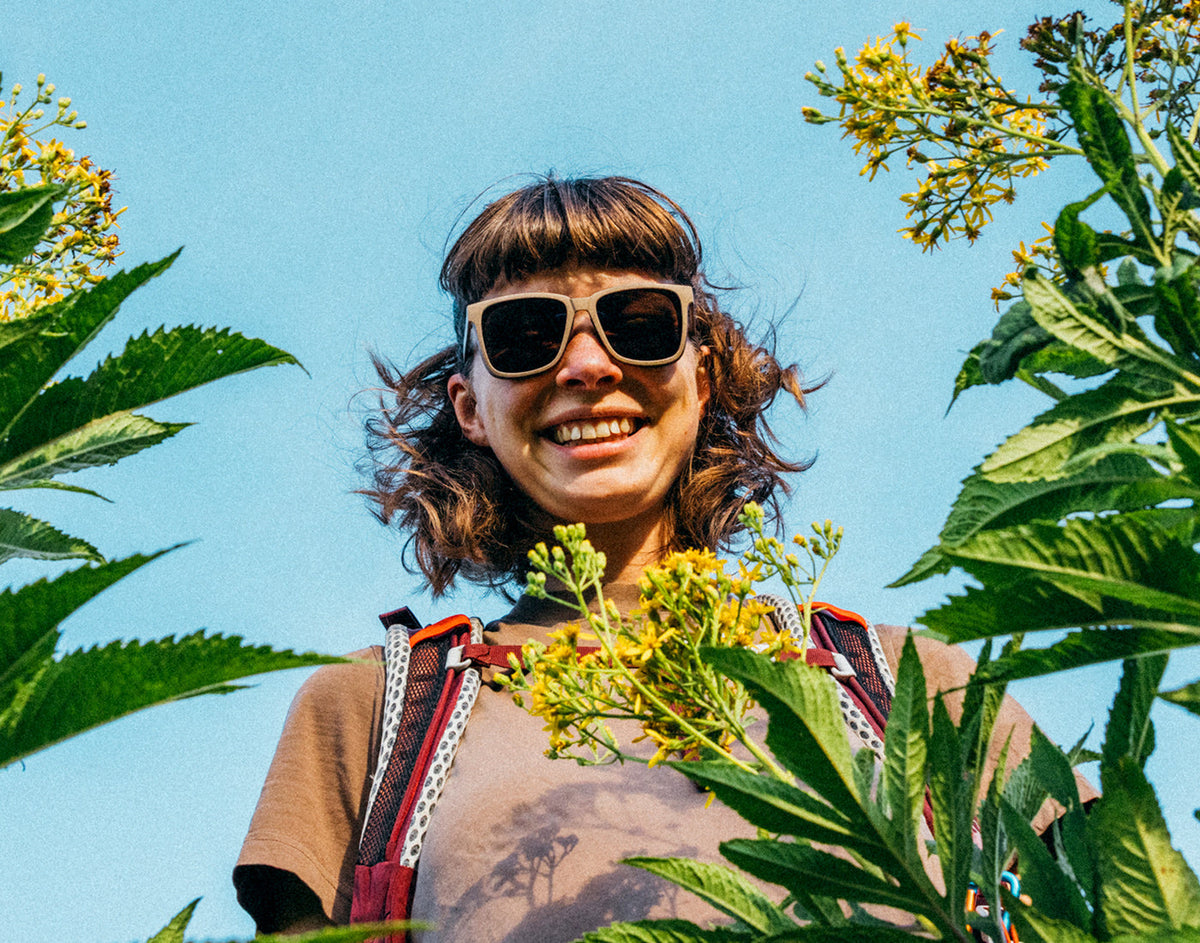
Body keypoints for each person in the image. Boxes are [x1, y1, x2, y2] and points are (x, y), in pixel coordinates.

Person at [233, 175, 1082, 940]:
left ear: (703, 373)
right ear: (469, 406)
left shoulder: (905, 683)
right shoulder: (373, 714)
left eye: (639, 326)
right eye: (526, 337)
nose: (588, 366)